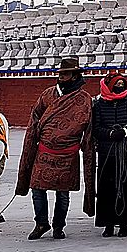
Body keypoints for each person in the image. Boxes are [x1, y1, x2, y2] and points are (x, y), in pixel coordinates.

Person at [15, 58, 95, 240]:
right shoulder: (48, 95)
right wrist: (31, 142)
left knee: (63, 193)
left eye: (66, 74)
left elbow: (88, 130)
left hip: (68, 154)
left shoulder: (84, 100)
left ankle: (59, 226)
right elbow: (35, 118)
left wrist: (87, 149)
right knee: (37, 188)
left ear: (75, 75)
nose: (62, 76)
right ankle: (41, 222)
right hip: (43, 151)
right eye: (60, 73)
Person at [92, 72, 127, 237]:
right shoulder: (99, 105)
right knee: (107, 189)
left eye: (122, 83)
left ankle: (125, 223)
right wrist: (109, 134)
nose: (120, 87)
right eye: (116, 84)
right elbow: (96, 127)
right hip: (107, 153)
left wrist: (126, 131)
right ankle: (108, 223)